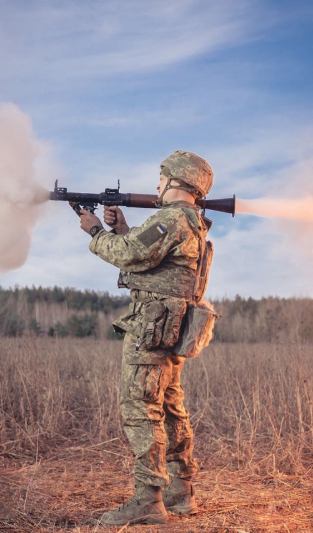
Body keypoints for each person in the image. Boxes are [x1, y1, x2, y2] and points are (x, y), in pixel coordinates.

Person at [76, 150, 214, 526]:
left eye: (161, 177)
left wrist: (93, 230)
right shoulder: (193, 223)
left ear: (176, 181)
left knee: (140, 408)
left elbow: (127, 253)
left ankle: (148, 501)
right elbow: (146, 257)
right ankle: (180, 492)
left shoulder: (171, 218)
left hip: (151, 331)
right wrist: (121, 226)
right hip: (171, 331)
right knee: (169, 406)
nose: (157, 185)